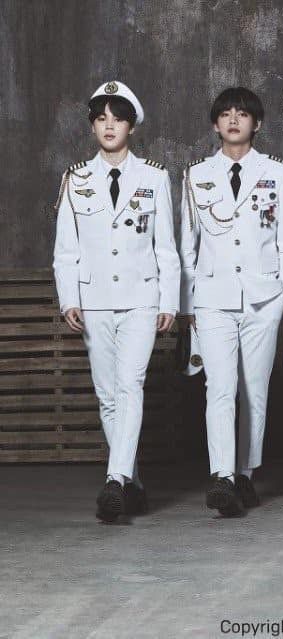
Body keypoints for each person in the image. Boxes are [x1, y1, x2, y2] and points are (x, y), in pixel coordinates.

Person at [53, 80, 179, 522]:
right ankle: (132, 484)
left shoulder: (154, 177)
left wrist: (169, 301)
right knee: (108, 395)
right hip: (94, 300)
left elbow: (166, 247)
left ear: (132, 127)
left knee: (130, 385)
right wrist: (69, 298)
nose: (109, 126)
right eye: (101, 119)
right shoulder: (75, 179)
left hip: (142, 297)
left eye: (118, 119)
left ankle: (113, 480)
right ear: (92, 127)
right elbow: (65, 250)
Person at [180, 87, 283, 517]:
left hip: (263, 298)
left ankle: (246, 472)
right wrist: (188, 305)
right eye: (226, 114)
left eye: (243, 114)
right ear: (216, 124)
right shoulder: (196, 175)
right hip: (212, 297)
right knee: (219, 387)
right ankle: (223, 477)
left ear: (257, 123)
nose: (234, 120)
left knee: (254, 390)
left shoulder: (277, 172)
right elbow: (187, 246)